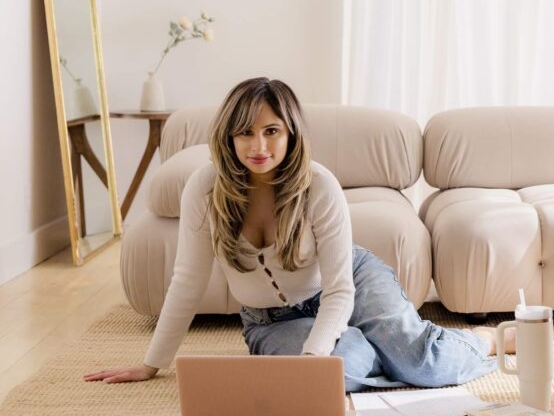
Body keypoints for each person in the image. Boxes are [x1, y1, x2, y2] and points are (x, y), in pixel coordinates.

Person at [85, 77, 506, 391]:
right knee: (337, 375)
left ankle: (483, 339)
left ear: (291, 133)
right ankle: (380, 344)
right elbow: (187, 281)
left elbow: (341, 289)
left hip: (349, 282)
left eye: (272, 131)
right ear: (228, 136)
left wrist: (311, 356)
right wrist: (152, 363)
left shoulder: (318, 185)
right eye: (245, 132)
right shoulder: (205, 187)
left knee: (426, 366)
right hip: (270, 321)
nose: (258, 146)